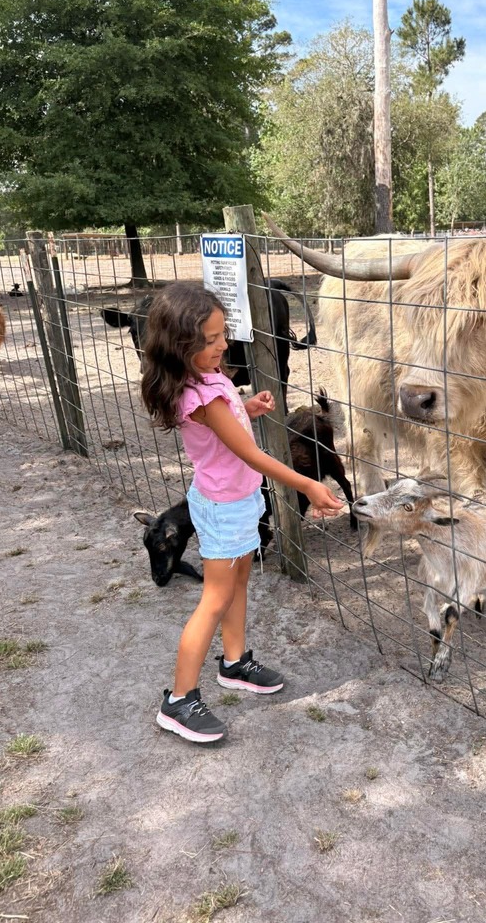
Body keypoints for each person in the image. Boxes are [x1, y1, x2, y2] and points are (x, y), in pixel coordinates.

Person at [140, 280, 344, 744]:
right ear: (181, 346)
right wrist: (309, 484)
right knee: (215, 598)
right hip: (224, 506)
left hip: (236, 500)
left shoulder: (208, 383)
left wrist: (246, 409)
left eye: (222, 334)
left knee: (238, 584)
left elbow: (224, 431)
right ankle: (179, 700)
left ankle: (234, 663)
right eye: (211, 340)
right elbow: (250, 455)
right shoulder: (203, 395)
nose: (223, 344)